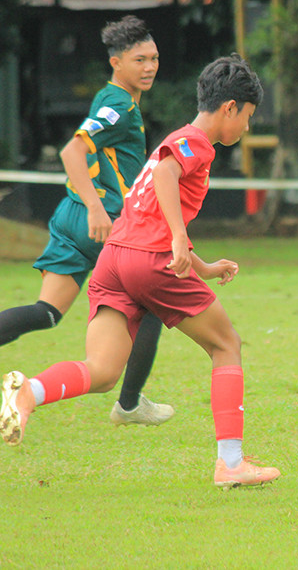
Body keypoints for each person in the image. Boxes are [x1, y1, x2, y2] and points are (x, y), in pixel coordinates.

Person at [1, 54, 280, 488]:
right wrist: (173, 237)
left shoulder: (177, 139)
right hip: (150, 259)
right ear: (229, 108)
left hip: (115, 258)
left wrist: (202, 266)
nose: (246, 128)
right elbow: (168, 177)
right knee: (227, 346)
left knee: (103, 370)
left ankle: (27, 393)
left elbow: (151, 205)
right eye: (247, 117)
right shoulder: (196, 141)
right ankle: (231, 463)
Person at [0, 15, 172, 427]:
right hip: (105, 222)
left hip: (70, 216)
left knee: (47, 312)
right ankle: (129, 404)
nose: (149, 67)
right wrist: (98, 208)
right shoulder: (119, 106)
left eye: (154, 58)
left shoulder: (110, 97)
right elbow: (71, 153)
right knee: (151, 307)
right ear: (116, 63)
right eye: (139, 60)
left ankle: (128, 402)